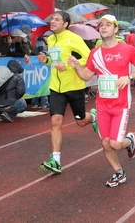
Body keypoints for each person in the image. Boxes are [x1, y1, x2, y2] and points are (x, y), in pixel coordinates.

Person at [67, 14, 135, 187]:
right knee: (105, 143)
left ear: (116, 29)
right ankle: (119, 172)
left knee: (116, 144)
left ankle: (129, 141)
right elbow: (87, 76)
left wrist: (129, 76)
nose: (103, 27)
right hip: (102, 104)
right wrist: (77, 67)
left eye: (108, 25)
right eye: (101, 25)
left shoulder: (127, 49)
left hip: (121, 105)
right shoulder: (95, 54)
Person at [37, 11, 94, 175]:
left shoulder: (73, 38)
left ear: (65, 24)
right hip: (56, 88)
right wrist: (46, 60)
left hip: (74, 86)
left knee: (81, 121)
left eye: (57, 19)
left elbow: (89, 57)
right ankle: (56, 161)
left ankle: (93, 117)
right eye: (52, 19)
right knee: (55, 121)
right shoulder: (51, 39)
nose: (52, 21)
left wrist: (69, 66)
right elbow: (55, 60)